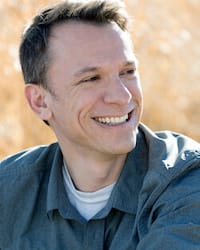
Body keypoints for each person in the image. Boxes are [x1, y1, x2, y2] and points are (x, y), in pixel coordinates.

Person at [0, 0, 200, 249]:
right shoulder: (7, 192)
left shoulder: (186, 180)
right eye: (91, 78)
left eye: (127, 72)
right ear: (40, 101)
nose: (122, 96)